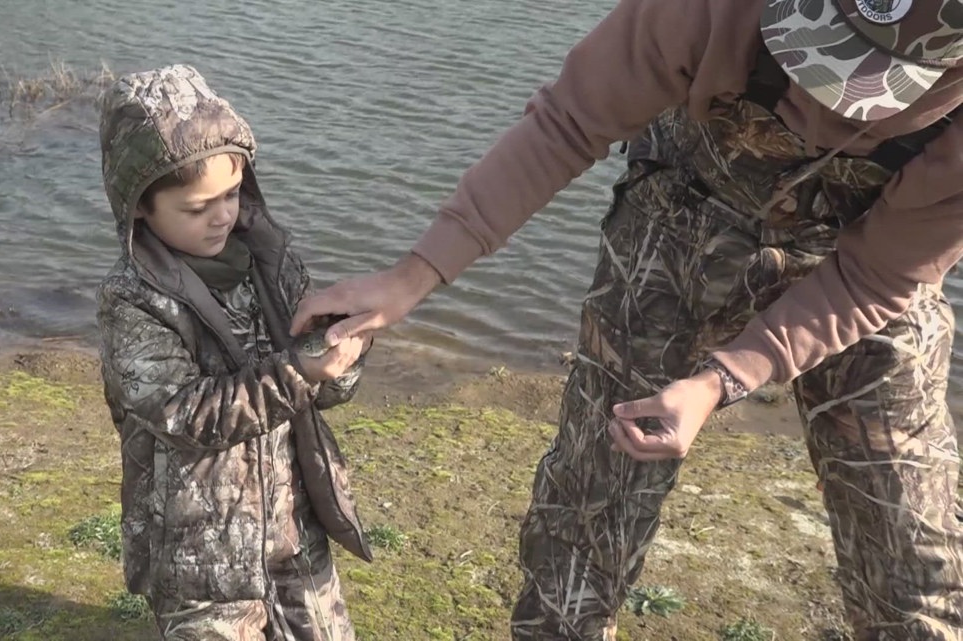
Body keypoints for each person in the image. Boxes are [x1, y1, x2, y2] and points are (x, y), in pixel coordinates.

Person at [290, 0, 963, 638]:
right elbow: (567, 124)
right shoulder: (711, 11)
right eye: (821, 53)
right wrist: (414, 276)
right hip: (682, 219)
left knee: (912, 546)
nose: (823, 103)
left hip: (871, 273)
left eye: (870, 77)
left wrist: (723, 380)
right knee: (592, 505)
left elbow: (876, 276)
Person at [95, 64, 374, 641]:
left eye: (231, 193)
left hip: (295, 526)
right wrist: (297, 372)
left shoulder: (271, 257)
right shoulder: (132, 300)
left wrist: (343, 353)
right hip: (199, 552)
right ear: (140, 206)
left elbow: (322, 389)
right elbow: (183, 413)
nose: (222, 215)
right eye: (198, 208)